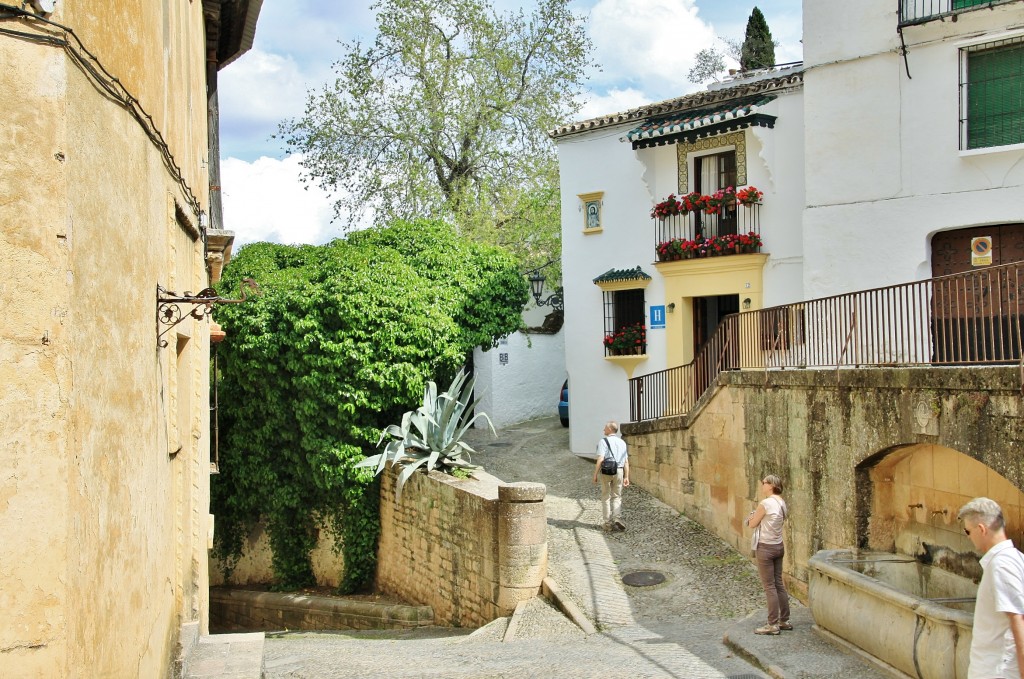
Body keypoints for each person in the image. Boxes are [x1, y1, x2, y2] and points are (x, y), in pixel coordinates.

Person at [957, 497, 1024, 679]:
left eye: (967, 531)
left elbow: (1018, 618)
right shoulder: (1014, 558)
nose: (968, 537)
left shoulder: (1002, 565)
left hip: (997, 671)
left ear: (981, 529)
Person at [746, 474, 791, 635]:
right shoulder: (782, 503)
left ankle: (772, 624)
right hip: (778, 546)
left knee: (769, 586)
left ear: (771, 485)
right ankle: (784, 620)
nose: (762, 485)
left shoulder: (765, 503)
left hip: (765, 547)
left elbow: (752, 524)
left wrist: (751, 517)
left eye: (764, 483)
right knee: (779, 583)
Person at [592, 421, 629, 531]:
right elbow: (626, 461)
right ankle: (617, 518)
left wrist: (595, 474)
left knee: (606, 497)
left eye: (605, 428)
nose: (603, 430)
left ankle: (607, 523)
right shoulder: (622, 442)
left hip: (606, 471)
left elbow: (600, 459)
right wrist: (626, 476)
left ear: (610, 429)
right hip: (619, 470)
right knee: (617, 496)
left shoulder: (603, 441)